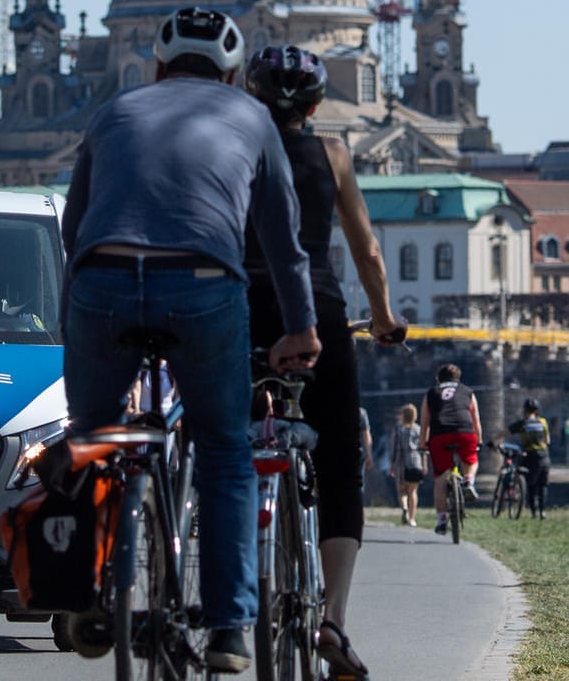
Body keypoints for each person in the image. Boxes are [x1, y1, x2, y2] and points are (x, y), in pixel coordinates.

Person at [61, 7, 322, 674]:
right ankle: (230, 627)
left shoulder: (115, 113)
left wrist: (81, 303)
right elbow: (284, 247)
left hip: (103, 279)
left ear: (155, 66)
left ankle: (84, 589)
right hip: (204, 286)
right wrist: (301, 329)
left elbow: (74, 225)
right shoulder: (254, 119)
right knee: (225, 452)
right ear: (236, 77)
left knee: (91, 434)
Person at [240, 44, 405, 678]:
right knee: (339, 464)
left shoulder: (236, 147)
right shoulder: (332, 154)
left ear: (252, 95)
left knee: (225, 442)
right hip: (319, 312)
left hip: (245, 306)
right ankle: (333, 618)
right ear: (314, 104)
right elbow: (365, 249)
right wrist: (384, 317)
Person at [420, 364, 482, 535]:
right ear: (458, 378)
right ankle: (469, 481)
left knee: (440, 478)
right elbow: (475, 418)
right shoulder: (468, 391)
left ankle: (441, 521)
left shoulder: (431, 393)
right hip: (464, 431)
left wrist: (421, 444)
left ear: (439, 379)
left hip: (439, 434)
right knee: (471, 460)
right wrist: (479, 440)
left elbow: (425, 422)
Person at [506, 397, 552, 518]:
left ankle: (534, 512)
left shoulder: (522, 423)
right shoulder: (543, 422)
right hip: (545, 456)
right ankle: (543, 511)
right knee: (542, 486)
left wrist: (492, 442)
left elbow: (504, 432)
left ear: (525, 410)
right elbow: (548, 440)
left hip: (530, 456)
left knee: (531, 484)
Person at [388, 403, 425, 527]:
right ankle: (412, 518)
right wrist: (424, 464)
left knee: (402, 490)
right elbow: (423, 448)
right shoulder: (419, 429)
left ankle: (404, 507)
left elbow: (393, 447)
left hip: (401, 463)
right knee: (413, 491)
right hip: (416, 462)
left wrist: (392, 463)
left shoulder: (398, 430)